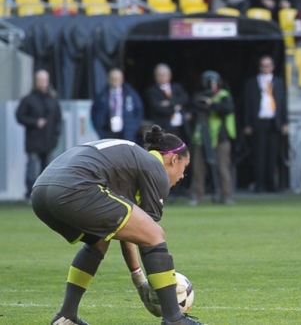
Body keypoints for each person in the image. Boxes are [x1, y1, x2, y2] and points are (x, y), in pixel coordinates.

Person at [31, 125, 205, 325]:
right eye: (185, 166)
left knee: (98, 242)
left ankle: (66, 316)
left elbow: (128, 230)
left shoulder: (133, 160)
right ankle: (174, 319)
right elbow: (144, 233)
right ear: (174, 159)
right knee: (155, 235)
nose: (183, 175)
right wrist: (140, 282)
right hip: (74, 188)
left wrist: (138, 279)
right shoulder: (154, 168)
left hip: (41, 192)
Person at [189, 71, 237, 205]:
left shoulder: (223, 95)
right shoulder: (199, 95)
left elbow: (228, 108)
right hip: (201, 137)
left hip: (220, 137)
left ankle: (226, 196)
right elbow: (195, 106)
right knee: (198, 168)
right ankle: (196, 195)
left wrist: (211, 104)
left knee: (223, 167)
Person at [242, 55, 288, 193]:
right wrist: (247, 124)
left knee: (272, 155)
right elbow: (246, 105)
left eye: (268, 65)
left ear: (273, 67)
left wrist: (285, 122)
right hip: (258, 121)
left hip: (274, 121)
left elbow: (283, 104)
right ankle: (259, 184)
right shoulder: (251, 83)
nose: (265, 68)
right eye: (263, 65)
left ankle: (271, 184)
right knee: (259, 155)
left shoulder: (279, 83)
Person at [15, 69, 62, 200]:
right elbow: (19, 116)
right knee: (33, 168)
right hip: (34, 141)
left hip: (49, 141)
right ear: (35, 82)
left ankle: (45, 196)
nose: (42, 83)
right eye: (40, 80)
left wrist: (56, 135)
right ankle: (31, 194)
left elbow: (58, 119)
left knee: (48, 170)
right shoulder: (28, 99)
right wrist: (35, 122)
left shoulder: (53, 99)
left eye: (44, 80)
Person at [91, 68, 145, 143]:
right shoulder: (101, 95)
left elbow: (139, 110)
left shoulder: (131, 93)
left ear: (122, 79)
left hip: (126, 132)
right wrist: (99, 129)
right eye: (112, 78)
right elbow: (94, 112)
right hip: (107, 131)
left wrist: (133, 127)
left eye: (117, 79)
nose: (115, 81)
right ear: (108, 79)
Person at [145, 63, 190, 142]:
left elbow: (185, 98)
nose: (162, 77)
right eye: (160, 75)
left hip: (181, 127)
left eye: (164, 75)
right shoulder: (152, 91)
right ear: (155, 76)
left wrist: (169, 102)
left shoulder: (176, 87)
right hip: (164, 128)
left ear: (170, 75)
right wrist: (176, 106)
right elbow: (158, 108)